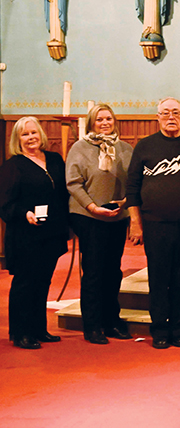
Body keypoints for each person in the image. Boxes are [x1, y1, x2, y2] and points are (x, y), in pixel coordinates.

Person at [126, 98, 180, 349]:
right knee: (158, 278)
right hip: (154, 223)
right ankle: (160, 329)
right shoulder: (145, 146)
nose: (171, 117)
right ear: (158, 117)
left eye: (176, 113)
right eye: (165, 113)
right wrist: (135, 223)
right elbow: (133, 187)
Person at [66, 104, 134, 345]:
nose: (105, 123)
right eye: (99, 120)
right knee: (94, 271)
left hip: (117, 216)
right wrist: (92, 207)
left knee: (113, 270)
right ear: (91, 123)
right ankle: (93, 325)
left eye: (108, 119)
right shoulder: (80, 148)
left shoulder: (125, 149)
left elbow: (133, 181)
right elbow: (73, 183)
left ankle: (111, 320)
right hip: (88, 216)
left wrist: (127, 202)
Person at [0, 117, 69, 349]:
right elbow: (6, 203)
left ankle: (39, 329)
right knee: (25, 283)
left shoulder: (55, 159)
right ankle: (21, 333)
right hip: (25, 234)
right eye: (24, 134)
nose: (30, 138)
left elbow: (63, 194)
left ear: (41, 134)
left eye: (33, 133)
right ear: (17, 140)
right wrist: (25, 214)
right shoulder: (13, 166)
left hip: (51, 232)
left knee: (43, 281)